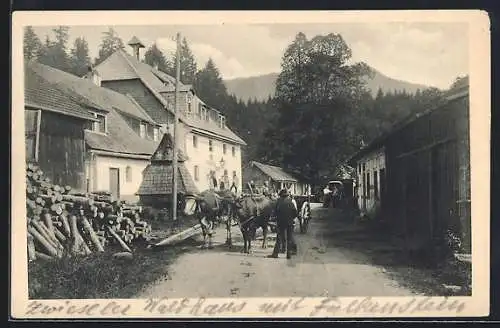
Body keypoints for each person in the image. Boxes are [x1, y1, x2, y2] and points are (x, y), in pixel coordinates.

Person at [268, 189, 297, 259]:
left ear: (281, 196)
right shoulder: (291, 203)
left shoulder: (278, 202)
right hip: (289, 223)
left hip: (281, 223)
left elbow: (274, 213)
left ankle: (275, 254)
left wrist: (275, 218)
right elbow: (295, 213)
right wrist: (291, 218)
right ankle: (288, 255)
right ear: (287, 195)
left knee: (279, 238)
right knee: (289, 238)